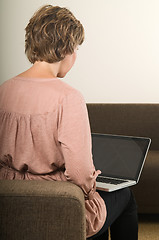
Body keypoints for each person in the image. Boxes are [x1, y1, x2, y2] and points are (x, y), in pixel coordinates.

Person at [0, 5, 138, 239]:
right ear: (65, 48)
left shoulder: (4, 90)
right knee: (125, 197)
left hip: (10, 202)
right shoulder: (69, 98)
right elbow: (79, 173)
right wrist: (92, 183)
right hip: (56, 203)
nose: (75, 55)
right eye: (76, 48)